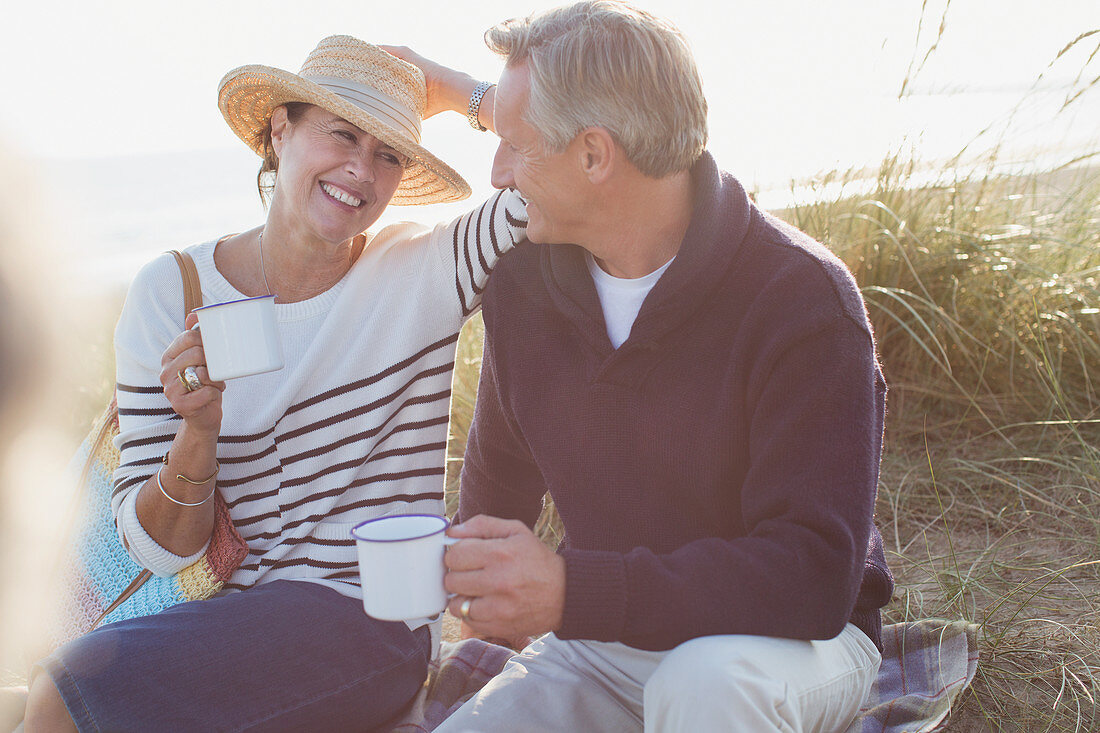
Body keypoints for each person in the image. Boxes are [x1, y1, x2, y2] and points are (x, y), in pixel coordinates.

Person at [401, 2, 895, 731]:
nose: (498, 171)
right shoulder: (522, 283)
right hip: (605, 642)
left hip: (784, 646)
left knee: (703, 688)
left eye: (515, 145)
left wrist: (571, 590)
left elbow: (813, 578)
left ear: (595, 155)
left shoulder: (803, 302)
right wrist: (470, 575)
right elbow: (498, 485)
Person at [24, 36, 526, 731]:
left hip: (370, 622)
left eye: (388, 154)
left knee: (61, 697)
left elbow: (576, 156)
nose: (361, 169)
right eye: (343, 134)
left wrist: (462, 93)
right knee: (60, 692)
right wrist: (196, 433)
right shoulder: (172, 291)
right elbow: (159, 550)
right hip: (222, 619)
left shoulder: (425, 270)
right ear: (280, 129)